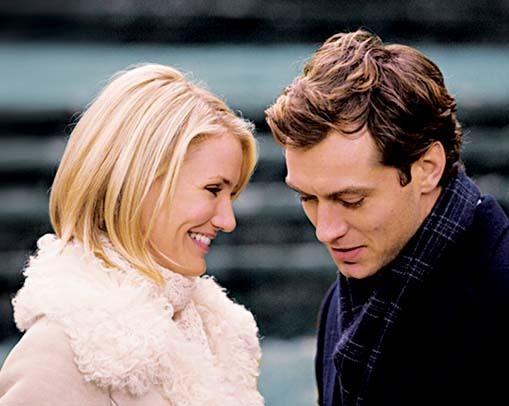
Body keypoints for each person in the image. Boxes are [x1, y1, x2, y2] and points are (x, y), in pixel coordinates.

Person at [265, 30, 509, 406]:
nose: (325, 231)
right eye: (307, 198)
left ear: (427, 167)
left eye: (351, 200)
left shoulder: (499, 290)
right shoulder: (339, 304)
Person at [0, 64, 264, 405]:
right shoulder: (58, 357)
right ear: (139, 181)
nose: (228, 221)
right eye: (213, 190)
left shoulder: (223, 337)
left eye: (232, 195)